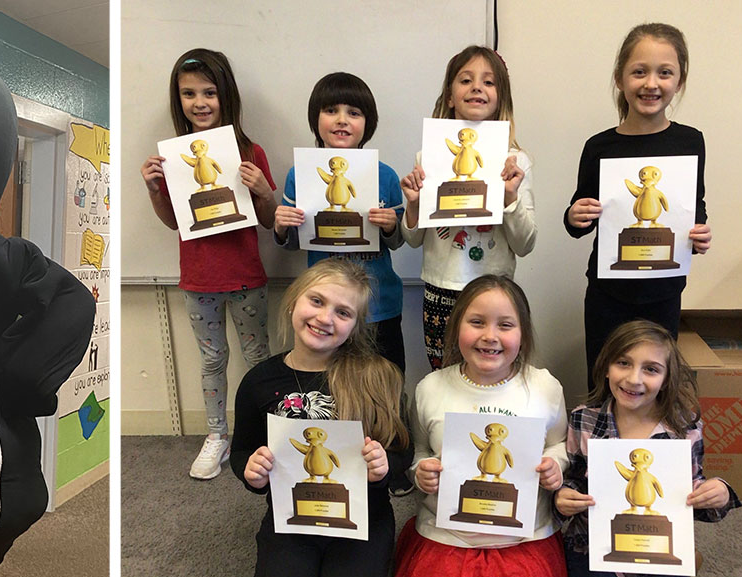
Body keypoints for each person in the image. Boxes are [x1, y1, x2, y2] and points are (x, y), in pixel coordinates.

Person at [233, 259, 412, 577]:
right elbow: (242, 449)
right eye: (316, 301)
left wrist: (384, 466)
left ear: (356, 326)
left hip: (362, 522)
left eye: (343, 312)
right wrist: (250, 471)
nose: (325, 318)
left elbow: (402, 452)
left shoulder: (377, 376)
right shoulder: (259, 381)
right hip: (291, 519)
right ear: (293, 301)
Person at [390, 275, 570, 577]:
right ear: (457, 327)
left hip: (523, 537)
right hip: (446, 535)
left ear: (523, 333)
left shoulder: (545, 386)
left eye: (505, 325)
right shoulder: (431, 388)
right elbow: (420, 452)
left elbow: (559, 443)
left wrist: (554, 465)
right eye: (476, 322)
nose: (490, 336)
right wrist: (421, 473)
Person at [139, 49, 278, 480]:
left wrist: (262, 191)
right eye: (188, 94)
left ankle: (263, 434)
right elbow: (172, 223)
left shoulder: (249, 151)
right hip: (198, 279)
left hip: (246, 277)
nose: (199, 102)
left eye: (209, 92)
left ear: (226, 96)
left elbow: (272, 220)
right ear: (177, 100)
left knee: (258, 358)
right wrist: (155, 190)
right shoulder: (173, 159)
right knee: (212, 360)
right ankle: (217, 435)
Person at [556, 320, 739, 577]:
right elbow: (573, 478)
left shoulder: (684, 426)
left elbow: (692, 490)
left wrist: (717, 493)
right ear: (606, 367)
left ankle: (689, 564)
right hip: (592, 545)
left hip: (661, 548)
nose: (634, 379)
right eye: (623, 363)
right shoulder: (582, 420)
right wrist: (564, 497)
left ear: (667, 379)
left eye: (651, 369)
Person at [564, 23, 712, 381]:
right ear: (620, 78)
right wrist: (575, 215)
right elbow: (578, 222)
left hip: (663, 293)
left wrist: (701, 232)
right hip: (607, 294)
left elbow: (695, 205)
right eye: (639, 72)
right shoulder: (599, 147)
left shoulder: (690, 141)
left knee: (654, 389)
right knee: (604, 385)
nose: (651, 83)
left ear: (680, 79)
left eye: (664, 73)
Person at [398, 45, 536, 370]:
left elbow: (526, 243)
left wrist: (509, 199)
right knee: (444, 380)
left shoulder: (516, 162)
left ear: (501, 97)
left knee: (494, 379)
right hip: (441, 289)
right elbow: (413, 238)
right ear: (449, 95)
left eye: (489, 82)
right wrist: (414, 205)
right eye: (466, 80)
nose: (477, 87)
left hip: (495, 293)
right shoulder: (427, 157)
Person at [274, 72, 410, 371]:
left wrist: (390, 225)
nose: (342, 120)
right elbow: (293, 243)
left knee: (386, 383)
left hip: (379, 305)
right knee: (331, 387)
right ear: (316, 120)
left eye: (354, 112)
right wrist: (282, 226)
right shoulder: (300, 175)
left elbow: (399, 240)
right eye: (330, 110)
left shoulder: (385, 175)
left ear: (368, 124)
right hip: (328, 310)